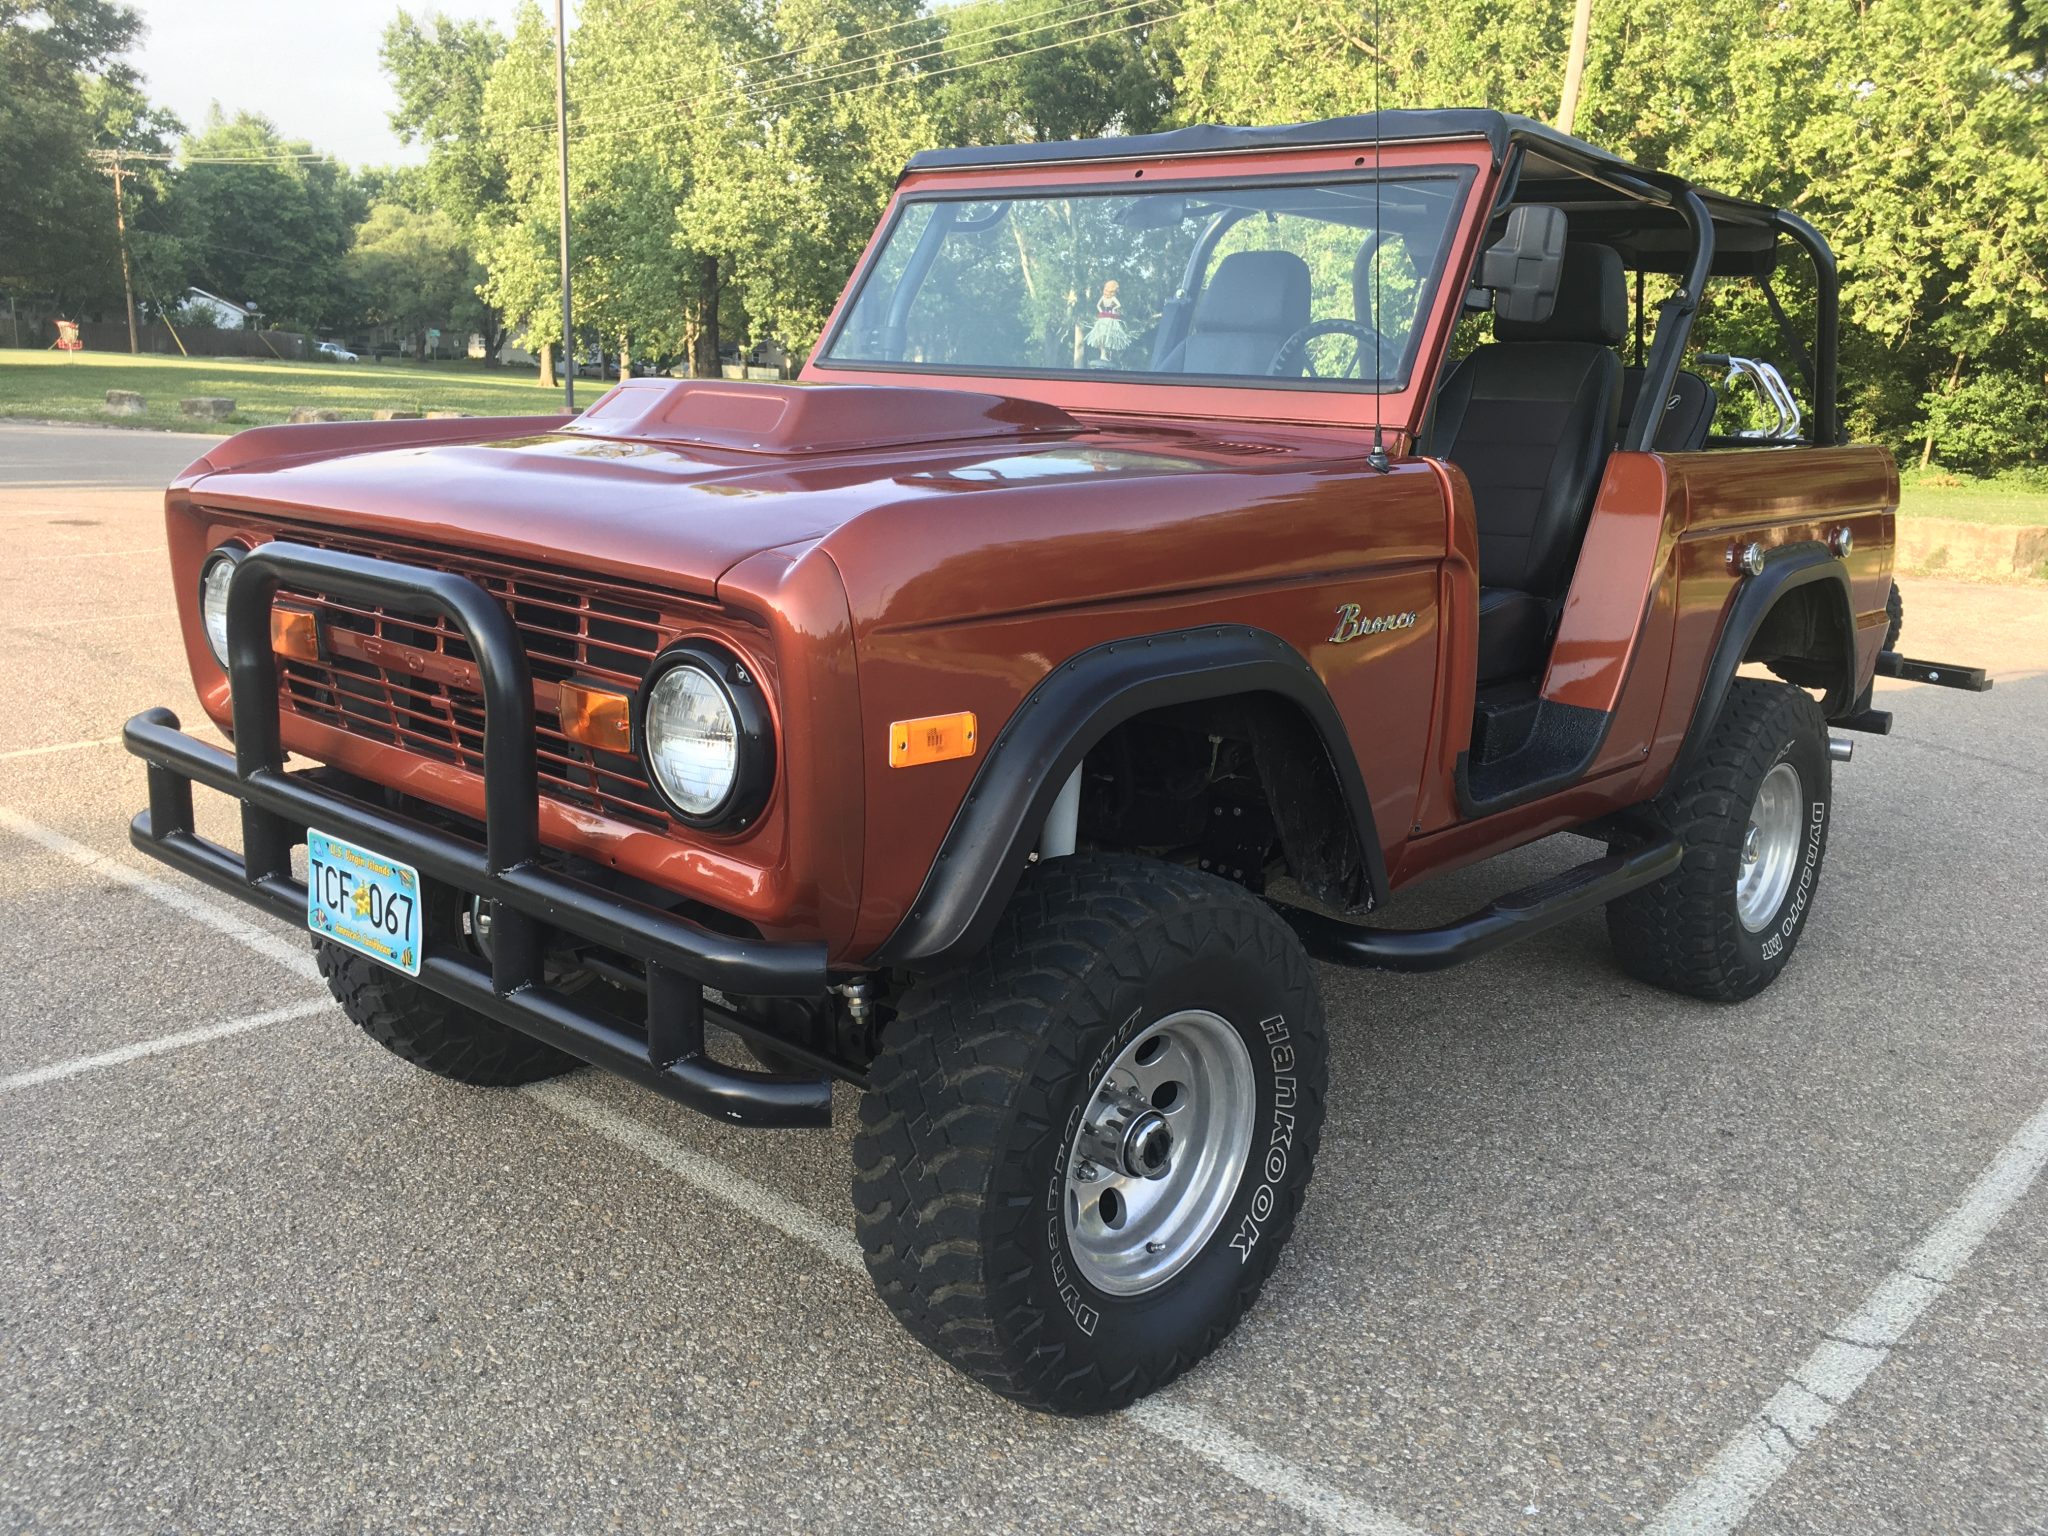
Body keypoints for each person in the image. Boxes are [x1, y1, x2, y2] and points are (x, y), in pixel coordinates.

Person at [1086, 280, 1129, 363]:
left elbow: (1098, 305)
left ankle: (1104, 355)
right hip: (1109, 318)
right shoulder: (1112, 298)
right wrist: (1113, 309)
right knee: (1106, 336)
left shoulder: (1104, 297)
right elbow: (1119, 305)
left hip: (1103, 317)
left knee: (1104, 336)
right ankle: (1104, 355)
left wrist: (1101, 311)